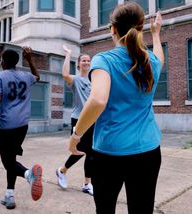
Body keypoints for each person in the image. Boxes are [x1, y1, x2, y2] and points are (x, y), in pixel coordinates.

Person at [69, 2, 164, 213]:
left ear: (112, 29)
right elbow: (160, 57)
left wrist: (76, 136)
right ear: (140, 29)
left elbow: (98, 100)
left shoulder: (104, 60)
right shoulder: (152, 62)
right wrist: (156, 34)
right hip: (148, 151)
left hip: (109, 154)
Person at [0, 47, 43, 209]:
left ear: (3, 61)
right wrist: (30, 59)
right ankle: (9, 195)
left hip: (6, 126)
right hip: (22, 125)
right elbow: (38, 76)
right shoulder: (26, 76)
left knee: (8, 163)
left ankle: (29, 174)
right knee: (12, 160)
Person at [55, 45, 94, 195]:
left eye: (88, 60)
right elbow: (65, 74)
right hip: (78, 119)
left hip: (92, 120)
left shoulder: (94, 79)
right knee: (81, 150)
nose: (86, 62)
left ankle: (87, 184)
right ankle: (62, 171)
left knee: (91, 152)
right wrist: (68, 55)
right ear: (78, 64)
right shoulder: (76, 80)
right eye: (83, 60)